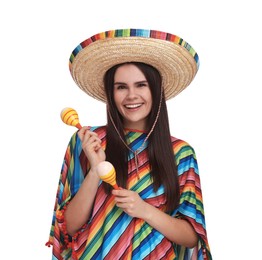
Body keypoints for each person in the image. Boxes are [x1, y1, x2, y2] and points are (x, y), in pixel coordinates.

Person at [46, 28, 212, 259]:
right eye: (121, 87)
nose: (131, 95)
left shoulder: (180, 153)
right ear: (111, 94)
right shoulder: (88, 141)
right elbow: (69, 227)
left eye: (141, 85)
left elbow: (191, 236)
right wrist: (96, 170)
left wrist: (145, 210)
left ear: (156, 90)